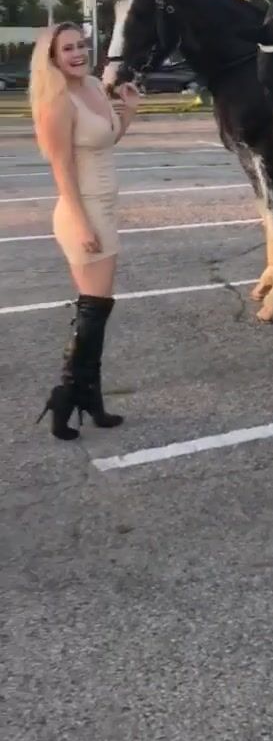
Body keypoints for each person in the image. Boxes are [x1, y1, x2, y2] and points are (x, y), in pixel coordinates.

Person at [30, 22, 140, 441]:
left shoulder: (93, 86)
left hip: (105, 206)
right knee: (93, 310)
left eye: (80, 45)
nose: (77, 53)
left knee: (98, 309)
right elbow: (61, 168)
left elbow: (105, 140)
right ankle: (66, 395)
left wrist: (128, 111)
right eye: (67, 49)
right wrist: (79, 221)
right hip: (83, 210)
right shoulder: (57, 101)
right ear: (52, 59)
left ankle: (89, 396)